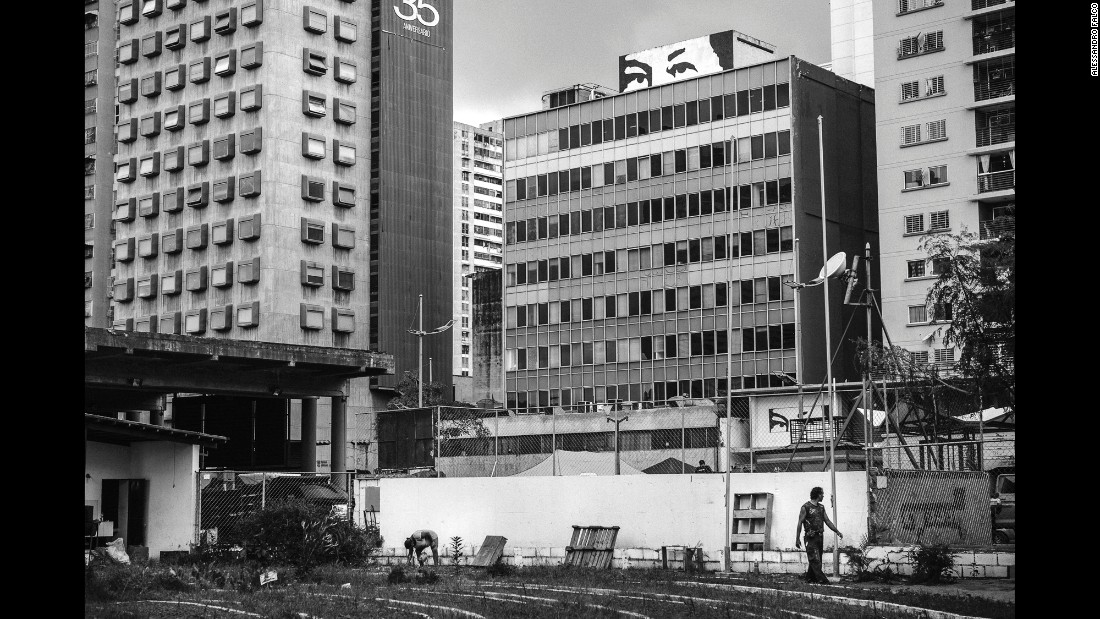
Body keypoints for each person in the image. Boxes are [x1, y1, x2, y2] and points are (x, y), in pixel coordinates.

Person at [795, 486, 843, 584]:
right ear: (818, 495)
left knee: (817, 559)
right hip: (810, 537)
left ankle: (809, 578)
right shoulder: (806, 507)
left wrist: (837, 531)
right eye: (822, 494)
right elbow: (800, 522)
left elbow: (827, 521)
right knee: (815, 559)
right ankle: (823, 580)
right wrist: (797, 538)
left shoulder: (821, 507)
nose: (823, 496)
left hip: (820, 536)